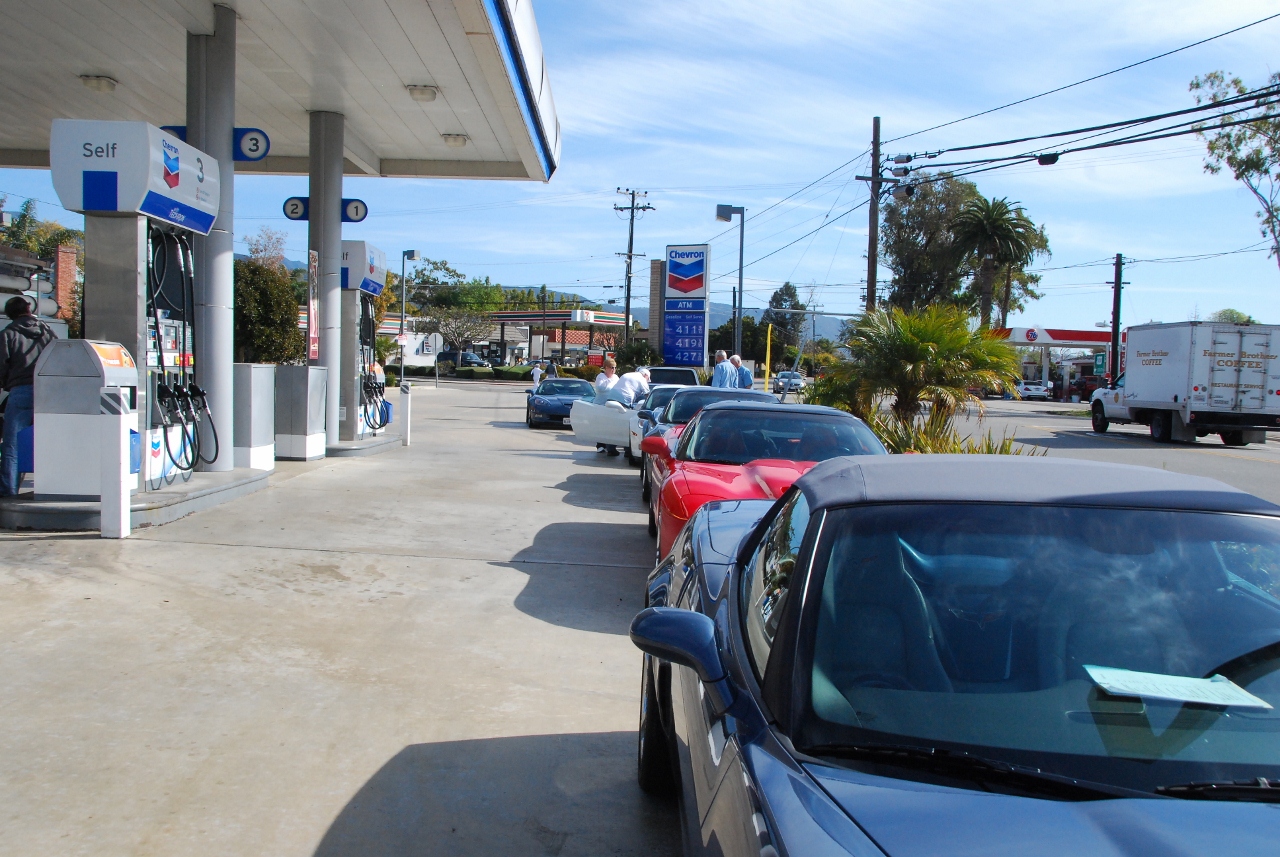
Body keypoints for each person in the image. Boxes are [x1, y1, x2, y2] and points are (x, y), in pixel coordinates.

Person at [1, 297, 56, 496]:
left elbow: (2, 366)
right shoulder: (48, 332)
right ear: (28, 309)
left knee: (12, 443)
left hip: (21, 391)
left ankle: (9, 491)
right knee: (50, 441)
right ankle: (51, 487)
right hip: (49, 392)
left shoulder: (8, 334)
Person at [594, 357, 622, 455]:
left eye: (614, 367)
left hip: (612, 405)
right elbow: (600, 388)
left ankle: (609, 446)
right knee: (601, 425)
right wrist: (610, 385)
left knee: (610, 426)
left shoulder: (616, 377)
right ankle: (600, 445)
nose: (613, 369)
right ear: (605, 367)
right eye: (611, 367)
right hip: (600, 405)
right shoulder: (601, 377)